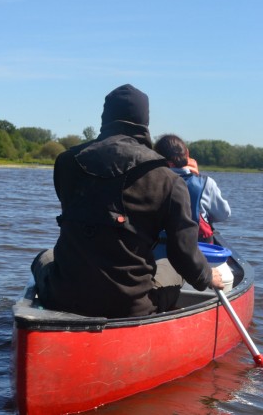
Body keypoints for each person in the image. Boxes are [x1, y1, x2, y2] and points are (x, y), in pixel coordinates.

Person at [31, 84, 224, 318]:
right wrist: (206, 277)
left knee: (45, 256)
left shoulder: (66, 162)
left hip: (62, 296)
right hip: (131, 305)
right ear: (144, 120)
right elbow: (183, 254)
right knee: (173, 267)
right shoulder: (168, 179)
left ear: (105, 117)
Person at [153, 134, 231, 243]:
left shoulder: (152, 183)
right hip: (197, 247)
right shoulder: (207, 183)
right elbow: (223, 214)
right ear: (187, 153)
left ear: (157, 158)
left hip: (161, 244)